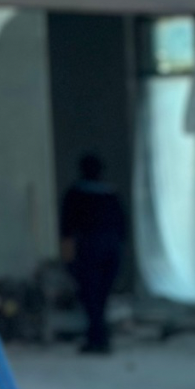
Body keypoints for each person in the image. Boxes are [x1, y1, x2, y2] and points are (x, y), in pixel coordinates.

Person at [60, 152, 126, 354]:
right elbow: (123, 227)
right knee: (102, 297)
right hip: (111, 249)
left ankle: (97, 338)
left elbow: (66, 228)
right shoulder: (111, 195)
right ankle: (98, 337)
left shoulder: (75, 194)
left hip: (88, 249)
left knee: (90, 296)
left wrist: (68, 258)